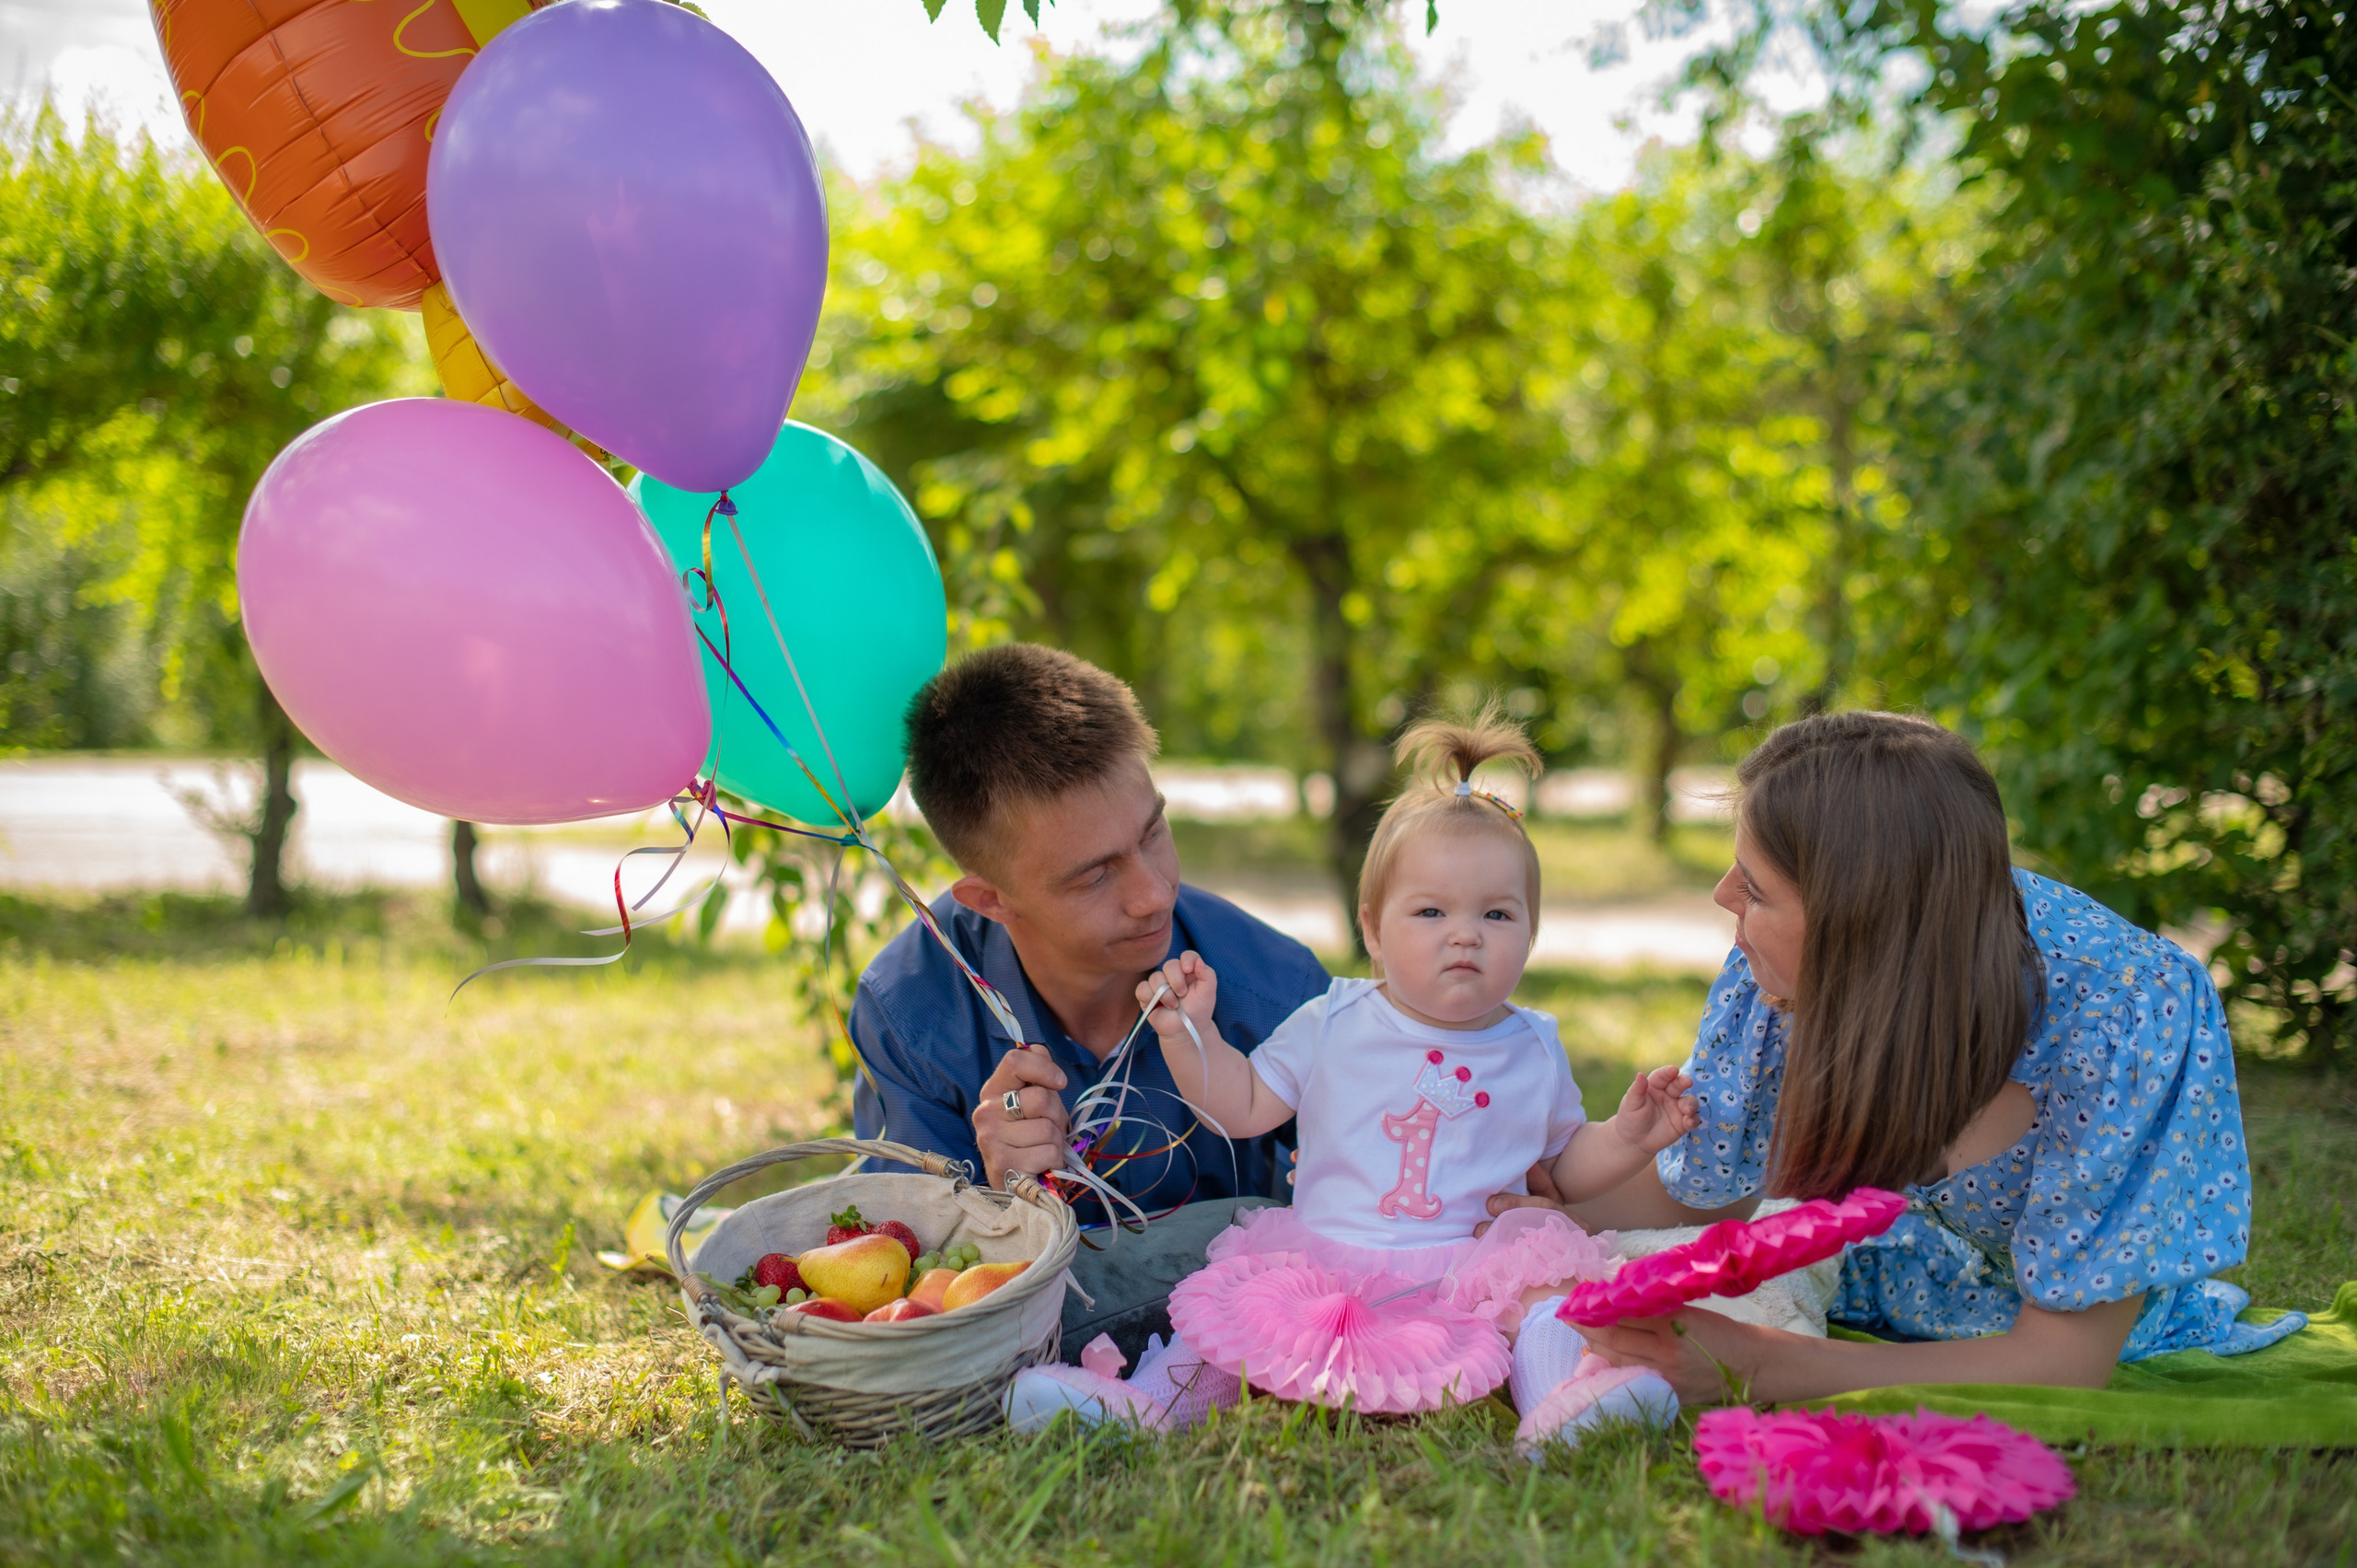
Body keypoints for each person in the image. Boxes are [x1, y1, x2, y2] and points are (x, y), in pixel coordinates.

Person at [1492, 709, 2306, 1406]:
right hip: (1887, 1263)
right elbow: (1706, 1184)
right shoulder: (1782, 968)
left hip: (2064, 1324)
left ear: (1858, 926)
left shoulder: (2129, 1016)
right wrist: (1538, 1211)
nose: (1722, 895)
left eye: (1757, 886)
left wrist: (1765, 1367)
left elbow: (2063, 1363)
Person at [1005, 710, 1704, 1448]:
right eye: (1430, 910)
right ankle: (1144, 1405)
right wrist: (1191, 1035)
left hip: (1468, 1261)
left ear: (1532, 931)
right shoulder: (1334, 1017)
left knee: (1548, 1291)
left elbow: (1564, 1162)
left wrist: (1628, 1136)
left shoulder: (1534, 1043)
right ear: (1372, 928)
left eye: (1497, 913)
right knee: (1238, 1326)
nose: (1464, 933)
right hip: (1330, 1254)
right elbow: (1240, 1105)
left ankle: (1563, 1401)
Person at [849, 643, 1329, 1359]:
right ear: (991, 900)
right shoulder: (912, 1012)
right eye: (1095, 875)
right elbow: (900, 1289)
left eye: (1153, 832)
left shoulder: (1278, 991)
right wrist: (994, 1194)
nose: (1154, 892)